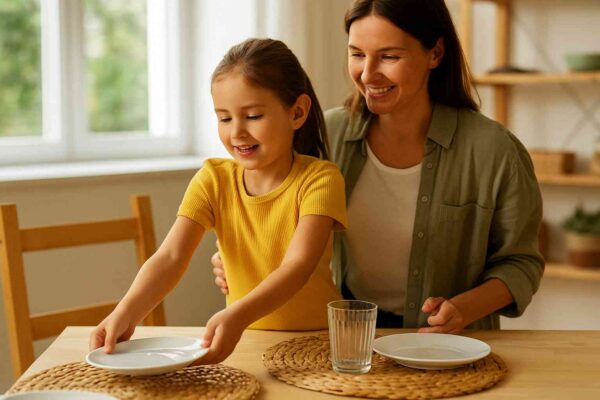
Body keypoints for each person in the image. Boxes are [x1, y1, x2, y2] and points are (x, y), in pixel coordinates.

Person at [213, 0, 544, 332]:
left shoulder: (495, 151)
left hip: (448, 347)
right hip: (343, 337)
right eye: (357, 54)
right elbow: (271, 215)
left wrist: (464, 308)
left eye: (389, 56)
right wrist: (237, 258)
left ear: (435, 53)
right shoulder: (326, 135)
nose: (368, 74)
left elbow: (521, 263)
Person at [89, 38, 347, 364]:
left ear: (297, 112)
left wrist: (238, 314)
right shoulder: (213, 179)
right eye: (224, 118)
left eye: (252, 116)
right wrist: (126, 311)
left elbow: (298, 267)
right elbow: (170, 257)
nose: (236, 132)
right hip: (244, 345)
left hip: (317, 345)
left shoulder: (321, 179)